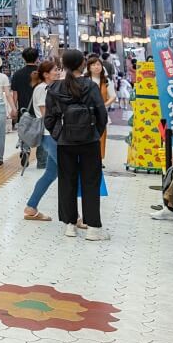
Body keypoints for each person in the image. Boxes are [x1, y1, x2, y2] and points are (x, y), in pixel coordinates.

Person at [45, 48, 110, 240]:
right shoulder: (90, 86)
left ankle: (69, 225)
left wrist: (60, 135)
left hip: (66, 143)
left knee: (67, 181)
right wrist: (95, 133)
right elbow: (102, 114)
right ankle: (93, 229)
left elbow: (49, 119)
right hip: (89, 140)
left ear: (63, 64)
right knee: (91, 181)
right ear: (82, 64)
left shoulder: (55, 88)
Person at [24, 60, 60, 222]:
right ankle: (75, 216)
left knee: (51, 173)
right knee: (68, 171)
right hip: (48, 134)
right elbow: (47, 115)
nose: (58, 72)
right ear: (46, 74)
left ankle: (31, 207)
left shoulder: (50, 87)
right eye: (55, 70)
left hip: (52, 134)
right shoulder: (42, 89)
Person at [85, 55, 116, 158]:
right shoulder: (84, 79)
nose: (96, 67)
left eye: (98, 64)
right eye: (93, 65)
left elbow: (113, 96)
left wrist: (103, 106)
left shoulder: (106, 81)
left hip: (101, 115)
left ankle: (99, 158)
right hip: (85, 114)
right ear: (89, 67)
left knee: (101, 136)